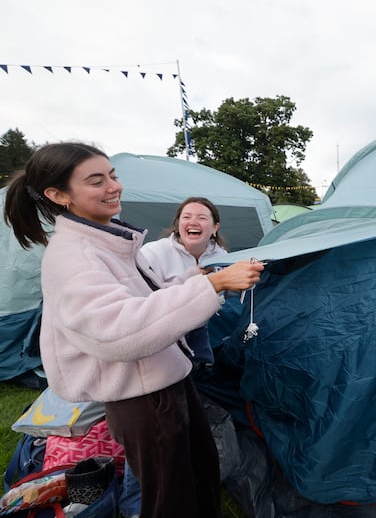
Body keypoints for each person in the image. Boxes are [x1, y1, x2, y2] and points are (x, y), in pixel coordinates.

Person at [2, 142, 264, 518]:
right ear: (58, 195)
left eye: (112, 175)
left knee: (199, 471)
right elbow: (117, 331)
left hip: (166, 378)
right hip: (142, 395)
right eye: (96, 181)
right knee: (170, 498)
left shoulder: (108, 241)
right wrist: (212, 286)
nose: (113, 187)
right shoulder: (75, 256)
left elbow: (143, 302)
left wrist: (198, 278)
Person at [141, 197, 229, 367]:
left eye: (202, 218)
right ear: (178, 224)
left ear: (214, 228)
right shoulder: (153, 253)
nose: (193, 222)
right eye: (187, 217)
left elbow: (228, 297)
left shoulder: (222, 256)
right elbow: (145, 300)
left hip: (210, 332)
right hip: (166, 334)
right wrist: (194, 276)